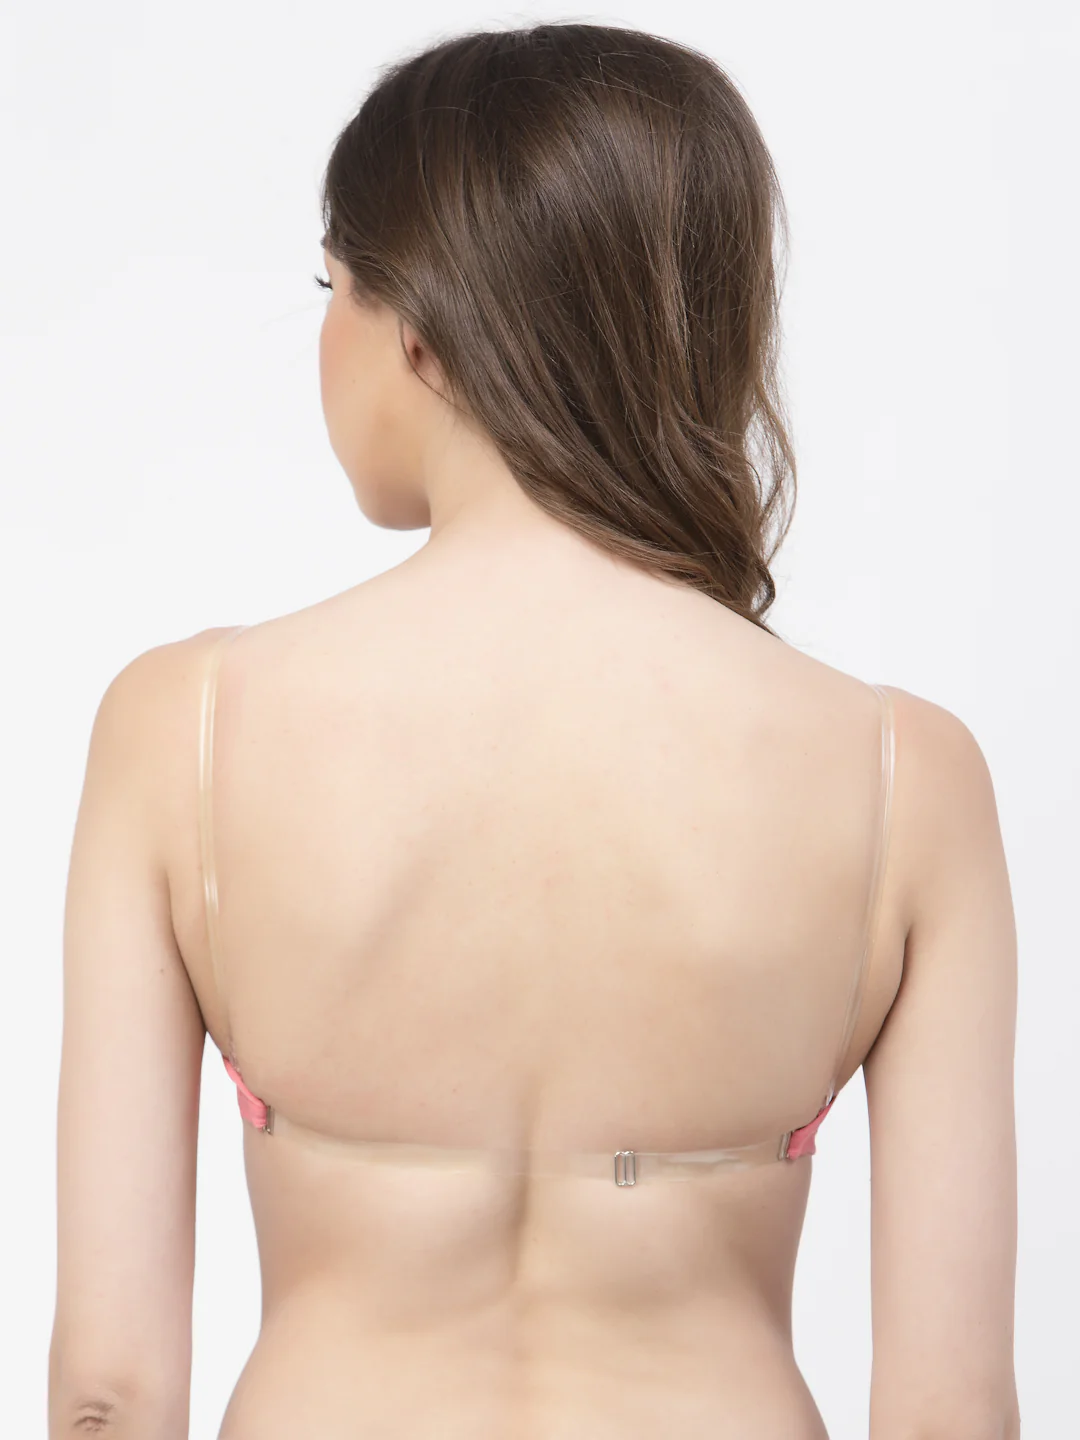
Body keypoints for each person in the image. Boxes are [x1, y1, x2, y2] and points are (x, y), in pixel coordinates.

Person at [48, 22, 1020, 1440]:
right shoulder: (904, 775)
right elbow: (950, 1412)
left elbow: (110, 1391)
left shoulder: (182, 730)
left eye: (332, 287)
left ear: (421, 329)